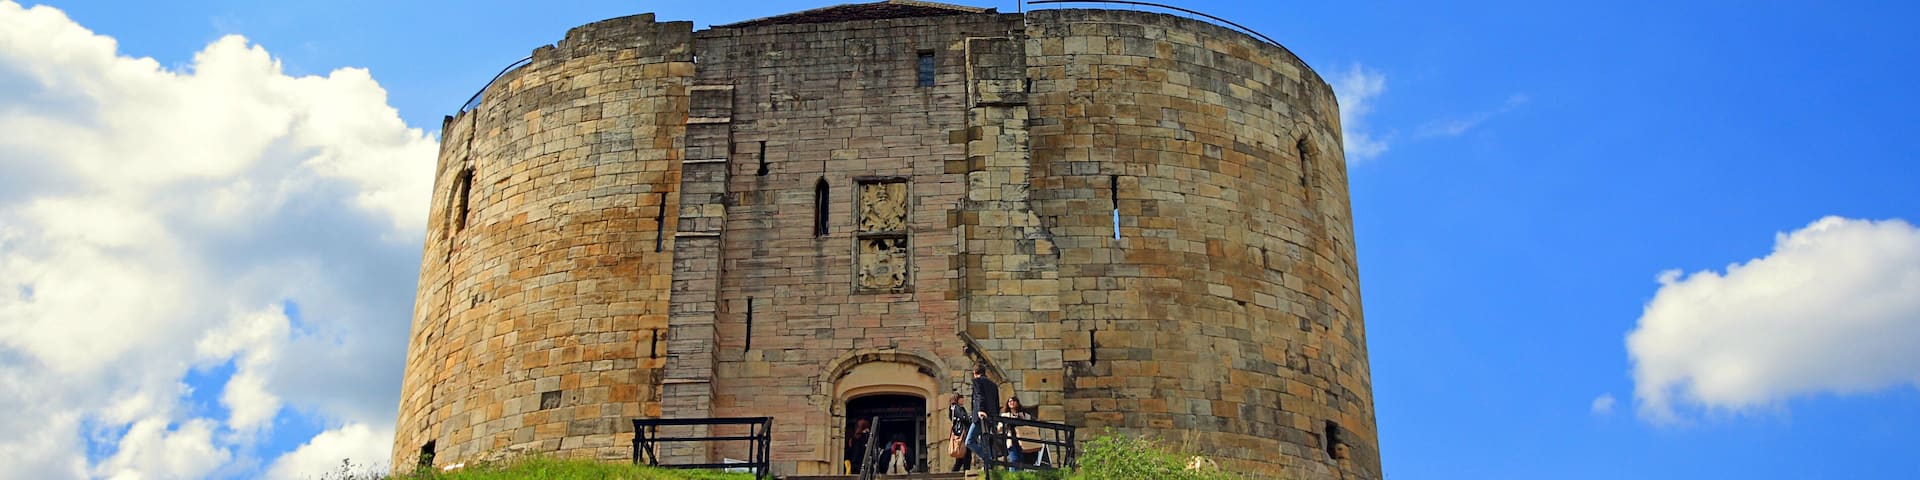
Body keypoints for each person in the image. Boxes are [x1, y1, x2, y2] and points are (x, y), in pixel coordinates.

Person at [965, 364, 1000, 468]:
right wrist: (995, 418)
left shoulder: (977, 381)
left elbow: (979, 395)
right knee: (985, 441)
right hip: (991, 417)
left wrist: (980, 410)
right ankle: (989, 466)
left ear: (975, 373)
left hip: (981, 417)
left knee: (969, 441)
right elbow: (996, 402)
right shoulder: (993, 385)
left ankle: (989, 460)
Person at [1000, 396, 1033, 466]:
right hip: (1011, 439)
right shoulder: (1005, 415)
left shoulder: (1024, 415)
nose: (1011, 402)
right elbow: (999, 428)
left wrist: (1022, 418)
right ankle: (1012, 476)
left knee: (1021, 459)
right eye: (1009, 401)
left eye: (1013, 401)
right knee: (1014, 459)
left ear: (1017, 403)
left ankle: (1019, 475)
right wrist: (1006, 422)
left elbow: (1029, 426)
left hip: (1022, 439)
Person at [948, 394, 973, 472]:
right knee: (966, 454)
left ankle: (956, 472)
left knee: (961, 456)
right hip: (962, 433)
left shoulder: (956, 408)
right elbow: (963, 418)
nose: (963, 400)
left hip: (962, 432)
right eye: (961, 399)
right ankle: (966, 472)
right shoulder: (956, 407)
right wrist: (970, 418)